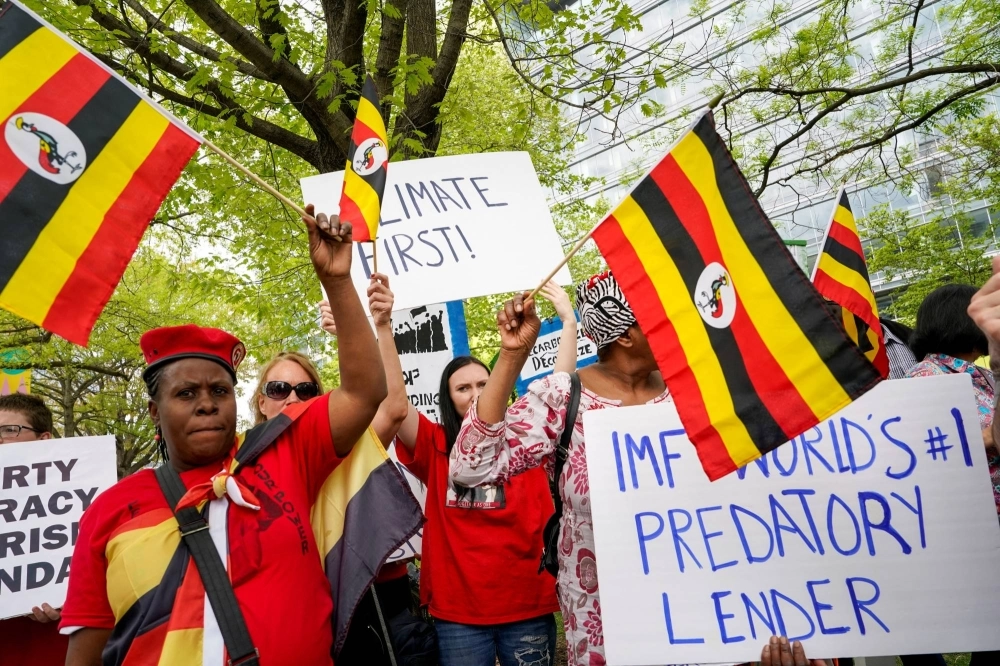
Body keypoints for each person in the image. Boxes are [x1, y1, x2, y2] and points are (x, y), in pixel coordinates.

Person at [58, 207, 387, 665]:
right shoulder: (108, 512)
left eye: (219, 390)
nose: (207, 403)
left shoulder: (283, 453)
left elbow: (366, 391)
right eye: (186, 393)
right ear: (155, 411)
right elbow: (85, 653)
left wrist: (336, 281)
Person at [451, 271, 670, 666]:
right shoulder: (564, 397)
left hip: (692, 604)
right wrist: (512, 355)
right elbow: (469, 468)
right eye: (658, 312)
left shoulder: (689, 390)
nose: (673, 321)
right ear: (625, 335)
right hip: (603, 619)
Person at [360, 273, 561, 666]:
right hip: (459, 616)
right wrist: (382, 327)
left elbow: (562, 382)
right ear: (447, 399)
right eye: (463, 388)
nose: (475, 395)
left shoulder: (528, 443)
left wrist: (566, 323)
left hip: (527, 605)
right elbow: (393, 399)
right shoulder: (434, 445)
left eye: (484, 384)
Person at [906, 283, 999, 517]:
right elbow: (921, 452)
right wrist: (988, 436)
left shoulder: (984, 374)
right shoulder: (926, 377)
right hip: (974, 519)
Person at [0, 394, 71, 666]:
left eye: (10, 430)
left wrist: (68, 597)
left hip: (51, 647)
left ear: (44, 440)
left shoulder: (78, 500)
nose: (0, 439)